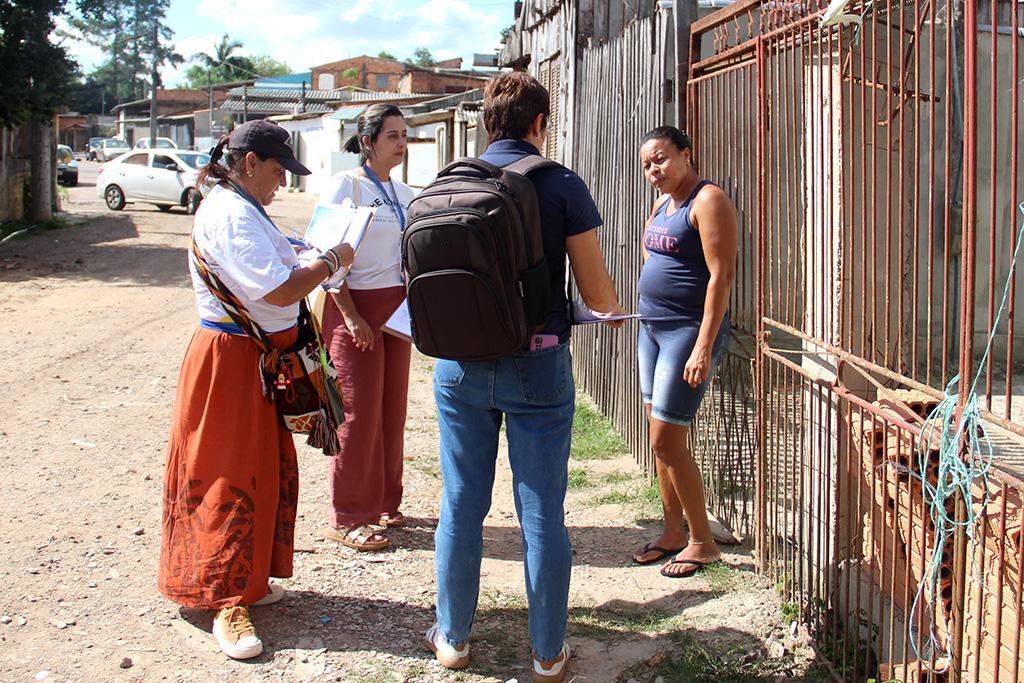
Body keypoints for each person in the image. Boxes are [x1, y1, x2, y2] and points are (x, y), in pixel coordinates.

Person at [425, 72, 625, 683]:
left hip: (459, 366)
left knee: (461, 503)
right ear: (541, 123)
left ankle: (453, 638)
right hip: (537, 363)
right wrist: (606, 309)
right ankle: (548, 654)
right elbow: (598, 294)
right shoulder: (560, 184)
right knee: (541, 512)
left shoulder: (446, 181)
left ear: (487, 121)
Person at [158, 120, 355, 660]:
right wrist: (332, 261)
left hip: (255, 360)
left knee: (262, 467)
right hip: (231, 362)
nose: (281, 182)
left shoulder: (244, 207)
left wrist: (311, 255)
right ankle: (223, 598)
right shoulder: (230, 214)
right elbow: (281, 289)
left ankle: (246, 580)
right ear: (249, 163)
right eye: (276, 169)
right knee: (227, 473)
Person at [631, 125, 738, 579]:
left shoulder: (708, 200)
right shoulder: (663, 204)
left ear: (686, 154)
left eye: (660, 158)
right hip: (652, 331)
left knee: (666, 440)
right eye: (647, 165)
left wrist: (703, 346)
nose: (654, 170)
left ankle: (703, 543)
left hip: (687, 334)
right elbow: (652, 254)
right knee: (660, 437)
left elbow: (721, 276)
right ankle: (673, 532)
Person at [317, 105, 414, 551]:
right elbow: (326, 254)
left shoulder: (405, 193)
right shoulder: (348, 186)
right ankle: (349, 515)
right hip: (354, 307)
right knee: (357, 413)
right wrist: (351, 314)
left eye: (404, 134)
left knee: (392, 410)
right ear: (367, 141)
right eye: (392, 135)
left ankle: (385, 500)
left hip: (396, 309)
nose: (401, 143)